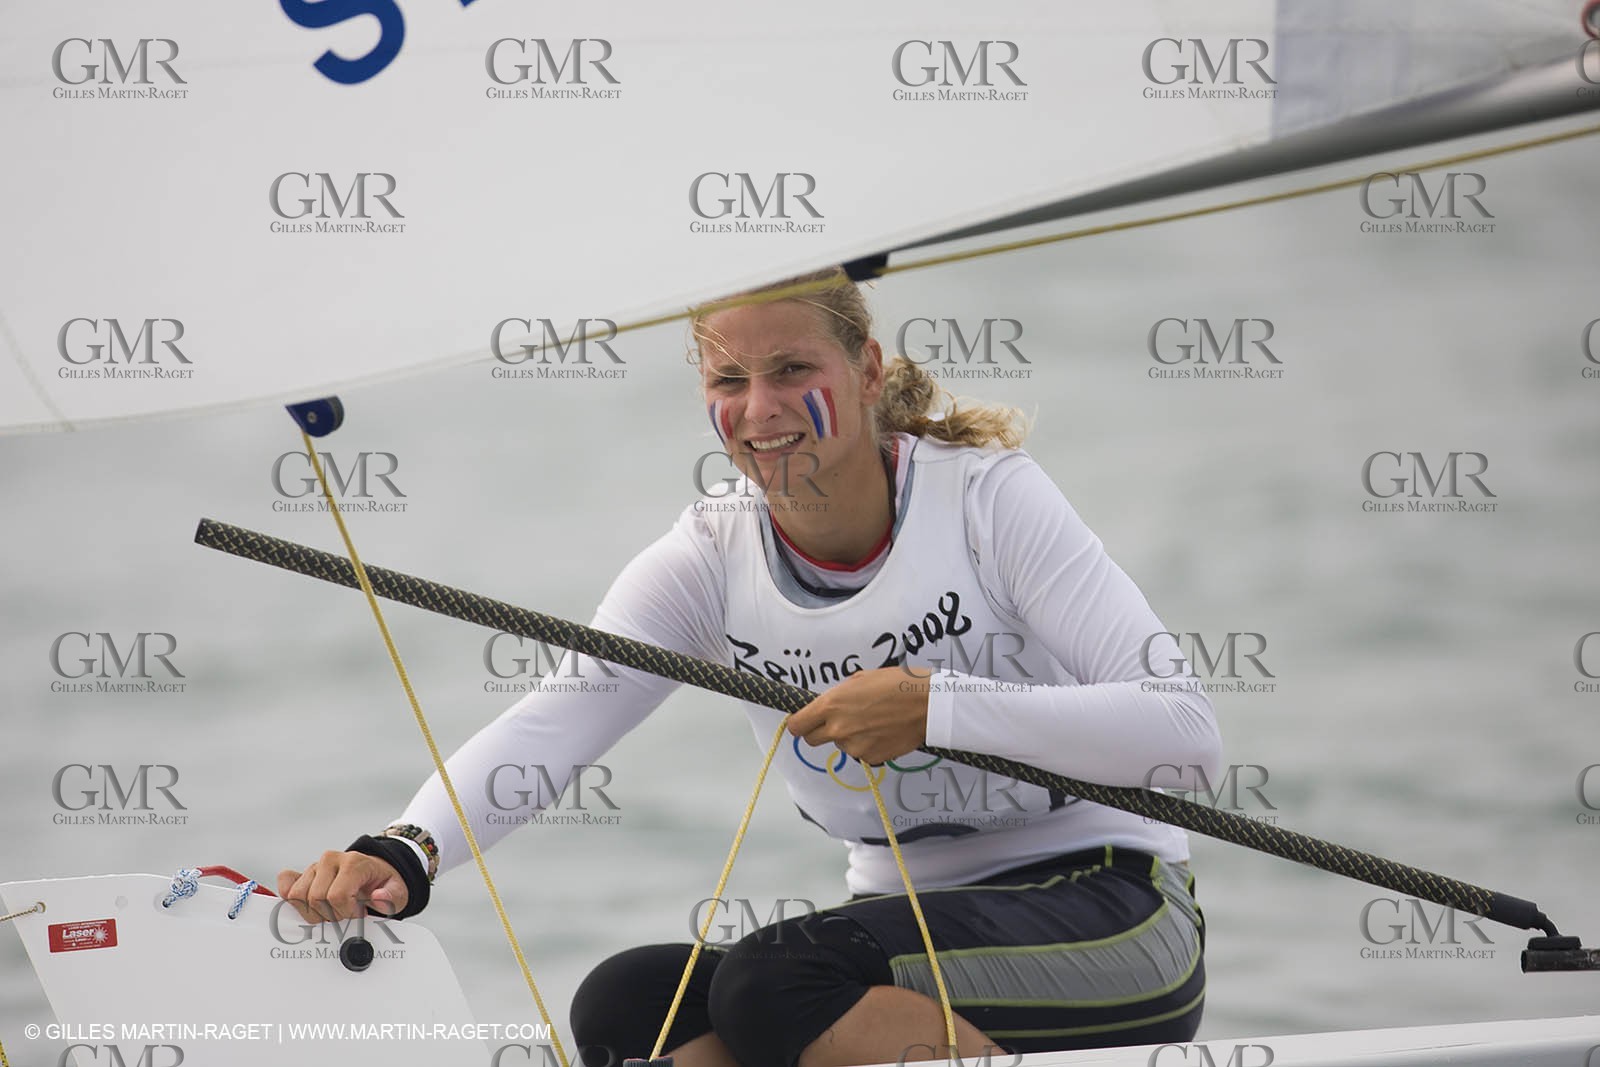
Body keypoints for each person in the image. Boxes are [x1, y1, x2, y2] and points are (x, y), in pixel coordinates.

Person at [279, 268, 1223, 1067]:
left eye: (791, 369)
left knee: (777, 980)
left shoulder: (987, 502)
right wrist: (406, 848)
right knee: (630, 1003)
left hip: (1117, 915)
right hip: (904, 932)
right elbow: (553, 724)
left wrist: (938, 706)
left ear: (866, 370)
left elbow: (1186, 741)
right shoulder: (707, 558)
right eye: (730, 378)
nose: (760, 409)